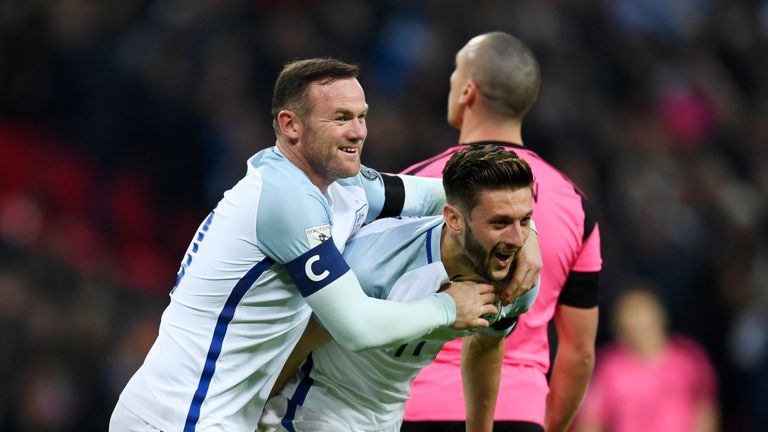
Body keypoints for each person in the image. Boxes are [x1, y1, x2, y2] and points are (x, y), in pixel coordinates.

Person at [109, 58, 505, 432]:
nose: (358, 131)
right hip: (178, 417)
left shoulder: (344, 184)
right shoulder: (286, 200)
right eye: (340, 118)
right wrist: (449, 306)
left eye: (362, 116)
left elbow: (453, 194)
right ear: (291, 125)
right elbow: (357, 326)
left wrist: (523, 232)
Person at [259, 144, 541, 432]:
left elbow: (486, 344)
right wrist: (250, 417)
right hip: (312, 409)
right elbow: (294, 345)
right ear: (454, 219)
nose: (518, 239)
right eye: (500, 223)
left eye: (525, 221)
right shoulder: (372, 265)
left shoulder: (518, 278)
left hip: (389, 419)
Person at [401, 32, 603, 432]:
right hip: (517, 410)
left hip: (413, 408)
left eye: (455, 74)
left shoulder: (413, 185)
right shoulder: (575, 205)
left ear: (468, 92)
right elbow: (579, 353)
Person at [573, 286, 719, 432]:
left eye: (640, 311)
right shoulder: (608, 366)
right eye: (629, 312)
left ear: (660, 315)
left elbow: (705, 410)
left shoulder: (689, 357)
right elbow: (590, 420)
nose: (636, 320)